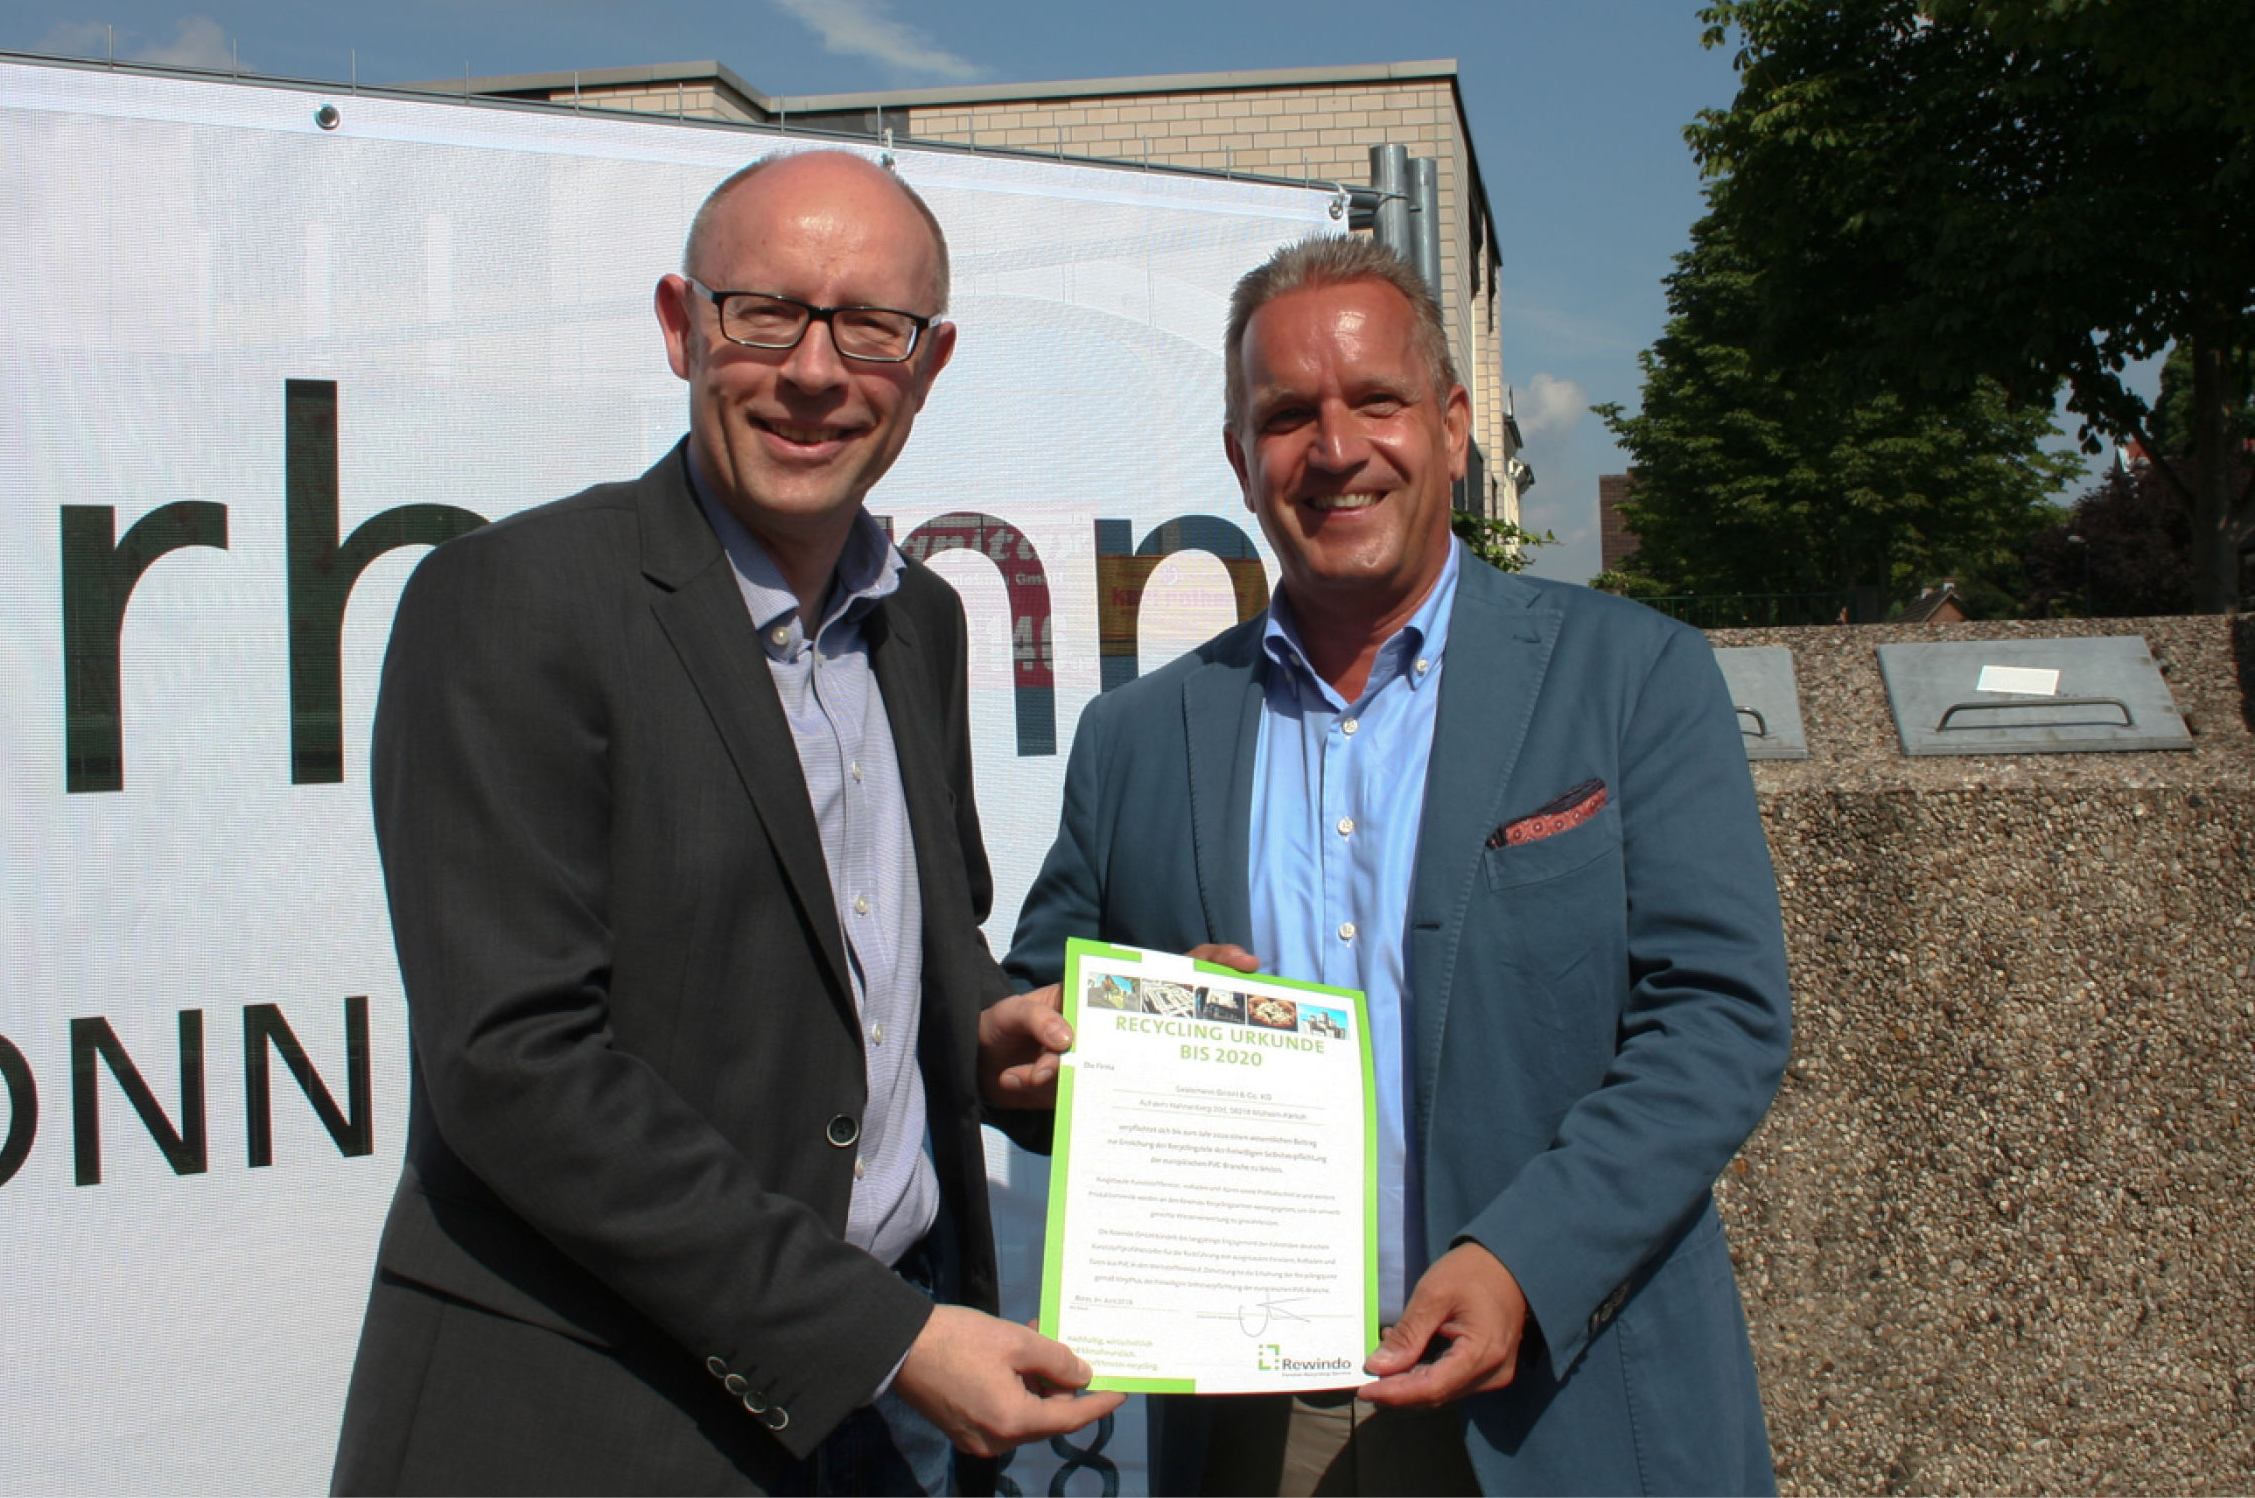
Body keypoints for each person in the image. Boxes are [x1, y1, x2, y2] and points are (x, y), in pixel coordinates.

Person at [332, 148, 1118, 1497]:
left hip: (888, 1427)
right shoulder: (513, 598)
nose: (814, 371)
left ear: (928, 364)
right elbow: (515, 1065)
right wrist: (880, 1337)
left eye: (869, 327)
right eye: (765, 312)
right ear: (680, 325)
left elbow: (904, 958)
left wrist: (997, 1032)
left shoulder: (919, 621)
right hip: (600, 1424)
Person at [1004, 235, 1789, 1496]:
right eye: (1286, 416)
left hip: (1568, 1395)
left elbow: (1718, 1015)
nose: (1334, 449)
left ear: (1452, 424)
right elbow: (1033, 1022)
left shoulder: (1632, 675)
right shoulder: (1135, 738)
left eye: (1375, 399)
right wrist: (1060, 1049)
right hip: (1256, 1425)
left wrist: (1524, 1258)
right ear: (1238, 457)